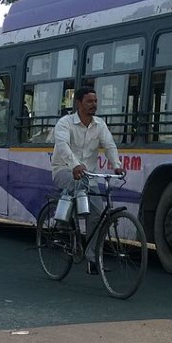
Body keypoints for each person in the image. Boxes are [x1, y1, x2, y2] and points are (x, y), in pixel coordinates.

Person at [51, 86, 125, 273]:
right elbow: (62, 145)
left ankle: (92, 259)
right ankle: (61, 223)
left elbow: (109, 145)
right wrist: (75, 165)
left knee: (98, 215)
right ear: (79, 103)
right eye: (89, 101)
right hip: (64, 170)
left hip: (89, 176)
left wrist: (116, 165)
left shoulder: (100, 125)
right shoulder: (65, 123)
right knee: (78, 182)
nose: (94, 105)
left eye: (95, 101)